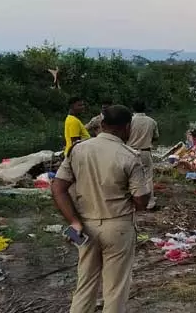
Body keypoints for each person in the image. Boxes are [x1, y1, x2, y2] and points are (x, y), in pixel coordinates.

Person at [51, 105, 151, 313]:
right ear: (127, 127)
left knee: (85, 284)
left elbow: (58, 188)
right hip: (118, 227)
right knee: (115, 289)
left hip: (84, 227)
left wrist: (74, 222)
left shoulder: (78, 150)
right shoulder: (129, 156)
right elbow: (141, 200)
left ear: (102, 125)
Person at [126, 100, 159, 210]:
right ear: (145, 108)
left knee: (130, 177)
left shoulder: (129, 121)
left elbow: (124, 135)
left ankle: (132, 201)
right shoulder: (152, 121)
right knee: (148, 177)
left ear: (133, 109)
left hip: (130, 151)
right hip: (145, 151)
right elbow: (155, 137)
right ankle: (150, 202)